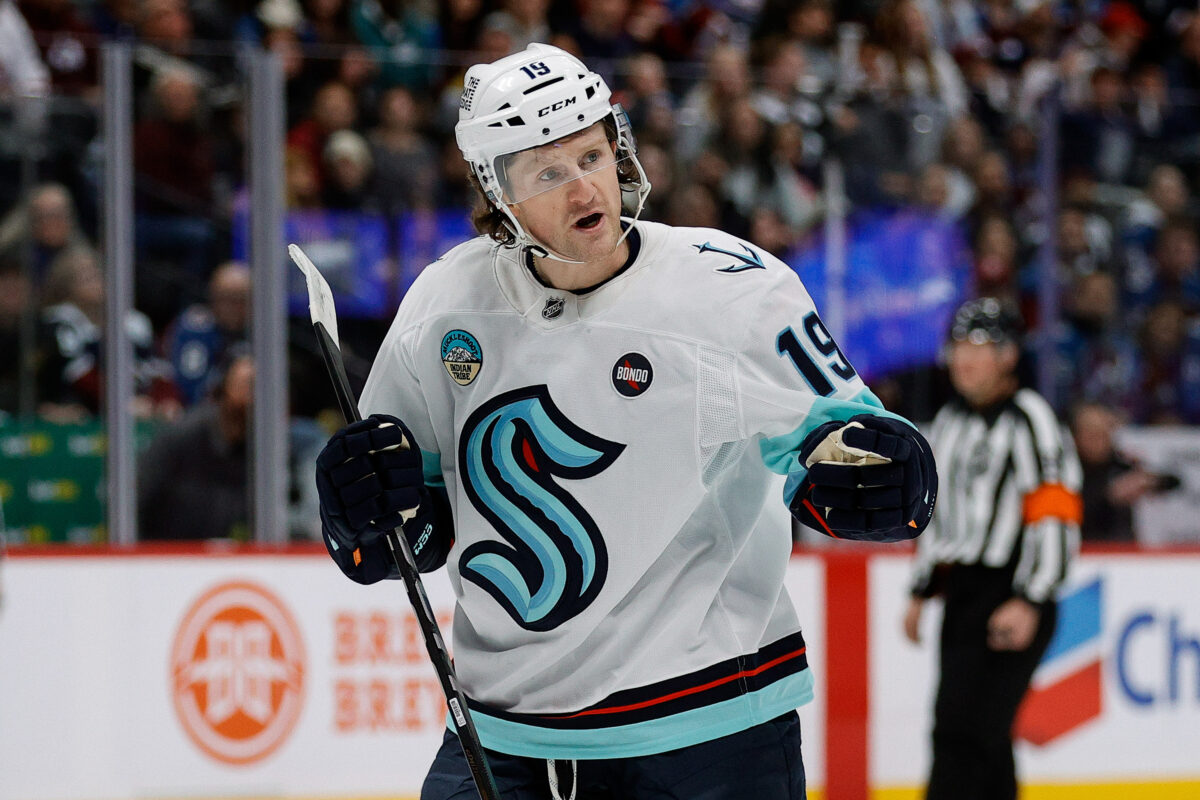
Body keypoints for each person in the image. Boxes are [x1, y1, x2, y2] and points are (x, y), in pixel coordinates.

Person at [314, 43, 938, 800]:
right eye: (548, 172)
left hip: (707, 731)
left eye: (593, 155)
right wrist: (361, 515)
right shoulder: (444, 305)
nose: (584, 187)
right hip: (502, 734)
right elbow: (409, 531)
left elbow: (840, 445)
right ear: (496, 193)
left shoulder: (729, 292)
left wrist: (880, 473)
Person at [902, 298, 1081, 800]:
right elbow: (936, 514)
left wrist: (1031, 597)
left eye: (977, 346)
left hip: (1011, 590)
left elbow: (1056, 513)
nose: (963, 359)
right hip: (963, 593)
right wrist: (923, 588)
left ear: (1008, 355)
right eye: (957, 345)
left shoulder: (1032, 420)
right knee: (976, 735)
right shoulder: (949, 422)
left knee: (966, 737)